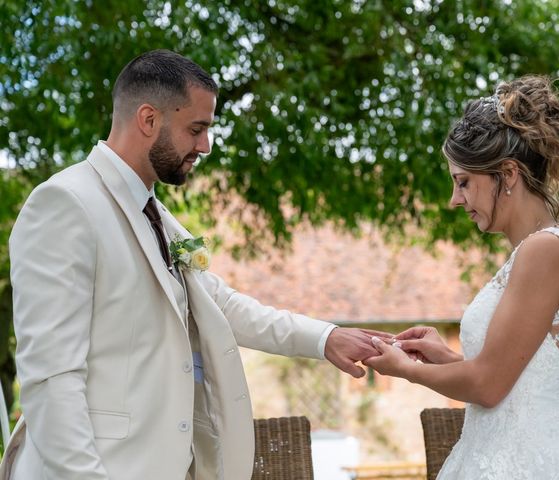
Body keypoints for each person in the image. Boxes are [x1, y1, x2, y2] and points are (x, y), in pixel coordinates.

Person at [0, 49, 387, 480]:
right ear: (149, 119)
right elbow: (53, 379)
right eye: (196, 129)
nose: (205, 146)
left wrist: (325, 339)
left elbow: (222, 304)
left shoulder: (156, 216)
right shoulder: (66, 204)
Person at [364, 76, 559, 479]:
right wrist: (445, 358)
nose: (455, 199)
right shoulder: (531, 252)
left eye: (463, 182)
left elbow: (488, 386)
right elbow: (512, 380)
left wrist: (405, 370)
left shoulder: (543, 251)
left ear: (507, 174)